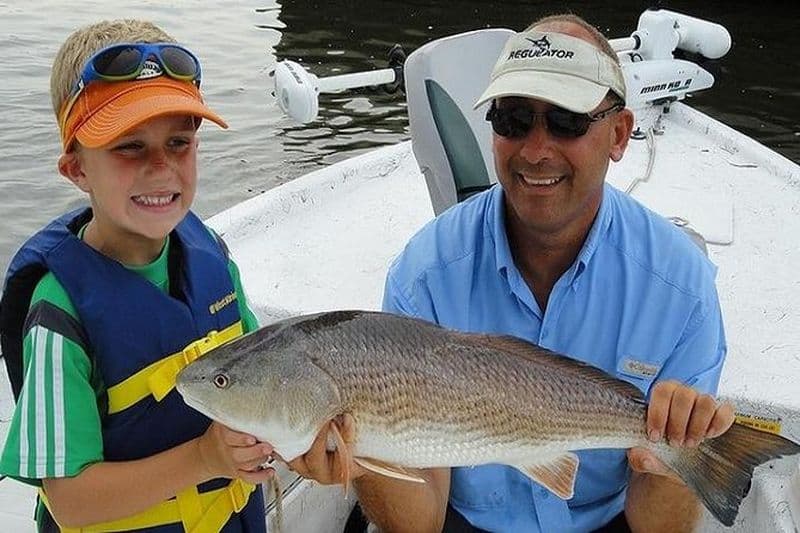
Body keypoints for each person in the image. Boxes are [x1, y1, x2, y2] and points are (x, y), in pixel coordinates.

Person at [289, 13, 735, 533]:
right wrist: (363, 456)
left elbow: (656, 527)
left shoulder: (682, 287)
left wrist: (674, 464)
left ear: (619, 134)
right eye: (513, 120)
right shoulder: (423, 275)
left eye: (567, 121)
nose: (536, 149)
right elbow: (421, 522)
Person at [0, 19, 274, 532]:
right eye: (129, 146)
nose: (160, 166)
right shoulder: (60, 313)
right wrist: (205, 460)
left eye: (178, 142)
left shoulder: (211, 255)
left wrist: (309, 443)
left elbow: (268, 382)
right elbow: (71, 502)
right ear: (77, 169)